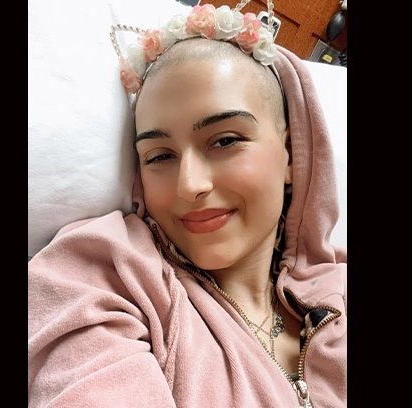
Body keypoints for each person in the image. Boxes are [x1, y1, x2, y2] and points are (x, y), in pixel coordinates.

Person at [28, 1, 346, 407]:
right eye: (160, 156)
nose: (190, 185)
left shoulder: (339, 287)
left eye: (225, 140)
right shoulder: (102, 274)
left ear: (291, 154)